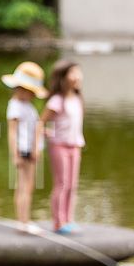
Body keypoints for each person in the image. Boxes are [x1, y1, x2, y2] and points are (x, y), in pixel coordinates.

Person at [1, 60, 46, 232]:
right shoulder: (15, 106)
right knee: (23, 186)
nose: (33, 96)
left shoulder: (26, 106)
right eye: (31, 92)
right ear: (22, 89)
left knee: (28, 186)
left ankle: (24, 219)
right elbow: (12, 132)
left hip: (30, 149)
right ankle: (23, 222)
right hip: (23, 150)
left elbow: (32, 127)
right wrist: (16, 155)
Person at [44, 59, 85, 233]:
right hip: (59, 145)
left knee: (72, 185)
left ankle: (69, 219)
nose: (77, 76)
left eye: (78, 72)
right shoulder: (57, 100)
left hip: (75, 145)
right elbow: (41, 122)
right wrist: (44, 134)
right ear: (62, 77)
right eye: (72, 72)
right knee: (62, 183)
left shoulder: (77, 99)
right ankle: (58, 222)